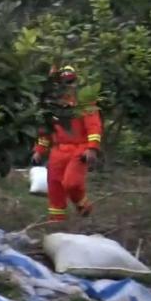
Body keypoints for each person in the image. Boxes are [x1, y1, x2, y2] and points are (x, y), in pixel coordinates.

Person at [32, 65, 102, 222]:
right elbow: (46, 130)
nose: (67, 86)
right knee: (55, 188)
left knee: (72, 183)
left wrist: (92, 148)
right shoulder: (51, 104)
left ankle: (83, 205)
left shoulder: (85, 101)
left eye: (69, 82)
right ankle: (56, 223)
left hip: (79, 148)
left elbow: (93, 125)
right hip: (58, 150)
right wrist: (40, 149)